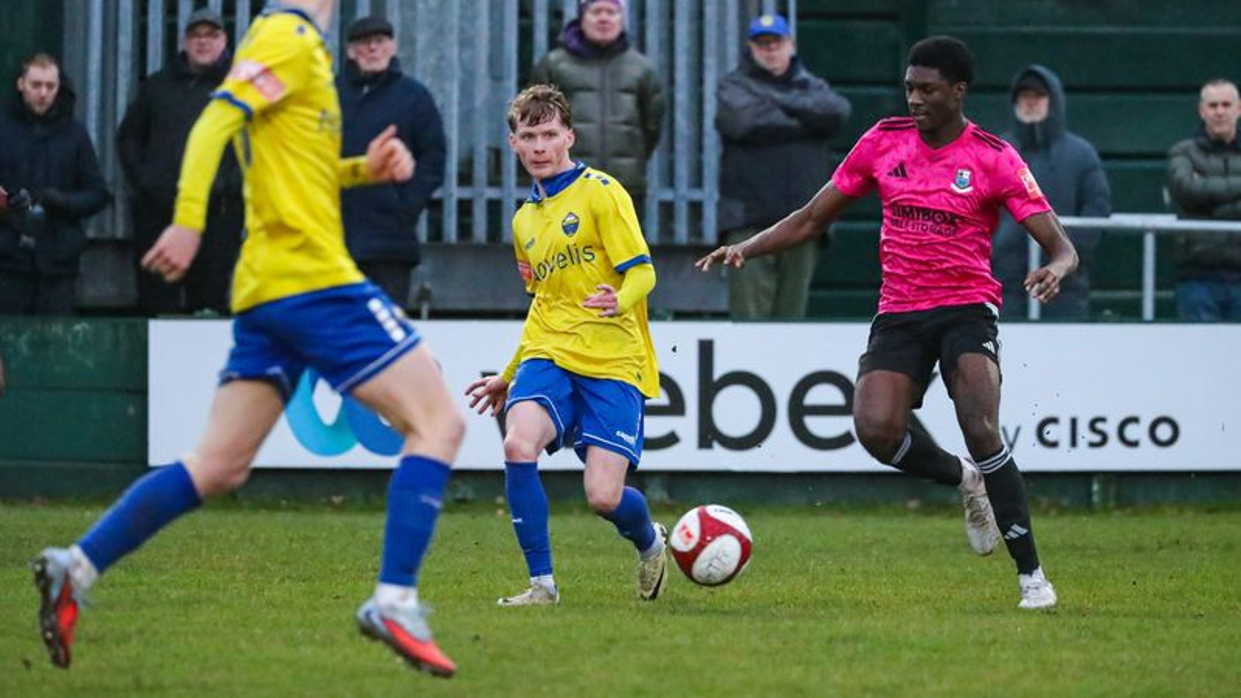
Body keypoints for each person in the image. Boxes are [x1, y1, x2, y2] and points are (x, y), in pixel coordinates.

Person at [31, 0, 464, 678]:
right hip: (313, 281)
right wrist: (187, 221)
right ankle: (394, 599)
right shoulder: (288, 36)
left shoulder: (301, 49)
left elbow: (290, 168)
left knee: (217, 466)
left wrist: (363, 171)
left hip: (268, 291)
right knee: (439, 421)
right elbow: (213, 121)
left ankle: (76, 566)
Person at [697, 36, 1077, 610]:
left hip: (967, 307)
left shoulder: (994, 157)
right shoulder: (883, 141)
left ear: (958, 91)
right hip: (900, 310)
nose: (916, 99)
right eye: (909, 88)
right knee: (876, 429)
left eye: (927, 90)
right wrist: (746, 248)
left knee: (980, 426)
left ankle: (1032, 578)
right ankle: (964, 480)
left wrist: (1056, 266)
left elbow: (1060, 244)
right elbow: (809, 218)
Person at [465, 84, 669, 606]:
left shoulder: (603, 192)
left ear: (569, 137)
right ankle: (542, 586)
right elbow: (542, 303)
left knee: (603, 497)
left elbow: (643, 274)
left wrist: (619, 300)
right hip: (550, 351)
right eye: (528, 135)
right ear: (513, 143)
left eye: (549, 134)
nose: (539, 146)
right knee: (517, 443)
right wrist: (509, 373)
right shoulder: (524, 221)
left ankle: (649, 541)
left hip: (612, 356)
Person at [715, 13, 851, 320]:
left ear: (790, 45)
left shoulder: (812, 84)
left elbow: (836, 113)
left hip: (803, 220)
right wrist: (805, 120)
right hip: (748, 221)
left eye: (776, 42)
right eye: (762, 44)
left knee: (792, 321)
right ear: (751, 48)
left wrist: (774, 101)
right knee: (749, 321)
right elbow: (741, 122)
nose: (770, 50)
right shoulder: (733, 85)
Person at [117, 8, 243, 316]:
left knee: (209, 304)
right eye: (195, 35)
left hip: (219, 217)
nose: (203, 42)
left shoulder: (241, 89)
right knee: (156, 304)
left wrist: (229, 183)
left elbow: (261, 145)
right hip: (159, 215)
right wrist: (146, 180)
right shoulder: (157, 86)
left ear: (224, 40)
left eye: (211, 35)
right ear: (185, 42)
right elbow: (128, 137)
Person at [338, 15, 446, 307]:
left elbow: (434, 158)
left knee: (387, 339)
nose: (373, 48)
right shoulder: (329, 95)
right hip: (334, 240)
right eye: (364, 42)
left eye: (380, 41)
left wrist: (405, 205)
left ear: (393, 47)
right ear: (350, 51)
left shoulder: (414, 96)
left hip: (390, 243)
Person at [992, 65, 1111, 320]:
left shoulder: (1081, 154)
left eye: (1038, 96)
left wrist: (1065, 259)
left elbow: (1096, 211)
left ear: (1054, 101)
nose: (1031, 103)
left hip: (1064, 289)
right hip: (1003, 287)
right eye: (1024, 97)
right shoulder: (996, 151)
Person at [0, 53, 110, 315]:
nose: (43, 93)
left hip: (58, 262)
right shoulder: (3, 128)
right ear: (20, 84)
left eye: (50, 86)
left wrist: (63, 201)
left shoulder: (74, 133)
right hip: (7, 260)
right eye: (36, 85)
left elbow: (98, 193)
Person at [530, 0, 664, 211]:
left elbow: (652, 126)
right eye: (596, 11)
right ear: (582, 16)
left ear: (621, 18)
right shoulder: (553, 65)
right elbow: (534, 123)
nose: (604, 18)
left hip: (624, 186)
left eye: (611, 12)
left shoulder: (641, 69)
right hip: (566, 182)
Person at [1166, 78, 1241, 321]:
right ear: (1202, 110)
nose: (1220, 111)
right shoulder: (1182, 151)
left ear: (1238, 109)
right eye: (1213, 105)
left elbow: (1197, 194)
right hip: (1198, 278)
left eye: (1226, 105)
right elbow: (1187, 191)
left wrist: (1208, 201)